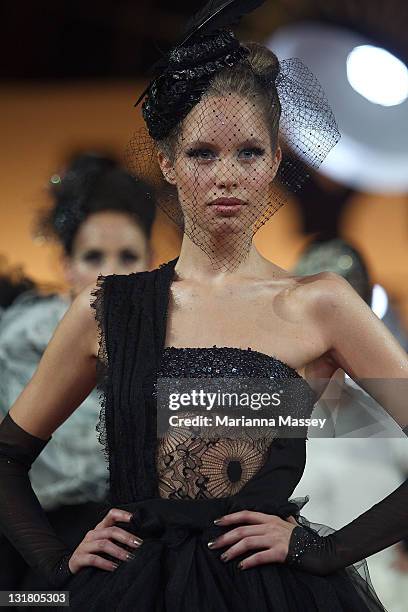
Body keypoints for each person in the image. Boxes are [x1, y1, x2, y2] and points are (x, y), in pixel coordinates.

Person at [0, 2, 407, 611]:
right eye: (201, 153)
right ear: (167, 162)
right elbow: (7, 457)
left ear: (274, 161)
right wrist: (57, 561)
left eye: (248, 152)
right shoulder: (109, 309)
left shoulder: (320, 304)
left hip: (274, 593)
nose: (227, 176)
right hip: (128, 591)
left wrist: (322, 551)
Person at [0, 151, 155, 595]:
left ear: (151, 264)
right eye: (92, 256)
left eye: (127, 255)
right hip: (36, 554)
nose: (110, 272)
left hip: (149, 554)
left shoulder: (179, 340)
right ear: (66, 267)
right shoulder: (21, 346)